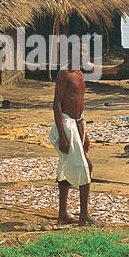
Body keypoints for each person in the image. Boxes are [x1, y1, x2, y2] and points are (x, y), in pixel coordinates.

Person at [51, 43, 93, 225]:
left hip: (78, 124)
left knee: (66, 168)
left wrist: (84, 133)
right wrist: (62, 134)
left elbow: (79, 104)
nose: (82, 53)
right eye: (79, 50)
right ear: (70, 52)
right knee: (86, 167)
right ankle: (83, 216)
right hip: (67, 125)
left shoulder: (80, 73)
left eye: (85, 51)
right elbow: (57, 104)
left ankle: (63, 214)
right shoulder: (65, 74)